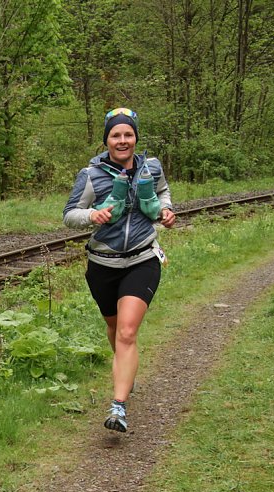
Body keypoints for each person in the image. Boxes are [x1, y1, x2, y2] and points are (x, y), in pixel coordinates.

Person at [63, 107, 176, 433]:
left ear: (136, 137)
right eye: (116, 135)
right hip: (102, 265)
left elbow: (162, 193)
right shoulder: (91, 174)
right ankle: (125, 371)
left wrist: (166, 210)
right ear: (107, 140)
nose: (122, 140)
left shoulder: (152, 167)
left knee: (127, 331)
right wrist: (91, 216)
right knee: (114, 329)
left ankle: (118, 407)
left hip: (143, 259)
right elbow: (70, 214)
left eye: (128, 134)